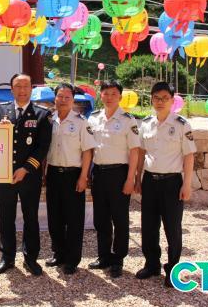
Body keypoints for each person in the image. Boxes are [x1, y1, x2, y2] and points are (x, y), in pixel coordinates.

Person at [135, 81, 196, 288]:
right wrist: (138, 178)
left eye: (165, 98)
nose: (160, 102)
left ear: (172, 100)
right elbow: (142, 152)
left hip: (172, 183)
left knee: (172, 228)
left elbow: (189, 156)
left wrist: (186, 184)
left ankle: (172, 269)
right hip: (150, 181)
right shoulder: (146, 124)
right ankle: (151, 264)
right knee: (148, 226)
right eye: (156, 98)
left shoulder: (181, 124)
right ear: (151, 99)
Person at [0, 73, 52, 276]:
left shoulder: (42, 114)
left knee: (30, 217)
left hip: (29, 176)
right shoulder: (0, 110)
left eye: (26, 86)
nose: (22, 90)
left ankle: (31, 258)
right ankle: (7, 257)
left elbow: (43, 147)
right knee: (6, 216)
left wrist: (25, 168)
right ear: (11, 89)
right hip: (4, 175)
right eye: (18, 86)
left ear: (32, 89)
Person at [87, 80, 140, 278]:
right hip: (99, 173)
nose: (109, 97)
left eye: (113, 94)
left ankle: (118, 259)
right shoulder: (93, 118)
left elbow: (134, 151)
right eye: (106, 93)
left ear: (120, 96)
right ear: (100, 95)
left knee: (120, 219)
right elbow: (89, 149)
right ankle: (104, 256)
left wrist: (130, 178)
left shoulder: (128, 120)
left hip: (119, 174)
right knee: (100, 219)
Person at [45, 83, 96, 274]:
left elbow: (88, 151)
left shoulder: (81, 122)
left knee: (74, 219)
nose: (63, 100)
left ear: (73, 100)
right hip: (53, 173)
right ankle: (58, 253)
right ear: (55, 98)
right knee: (54, 217)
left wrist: (84, 177)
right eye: (60, 96)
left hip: (73, 175)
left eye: (67, 97)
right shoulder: (49, 120)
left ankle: (72, 259)